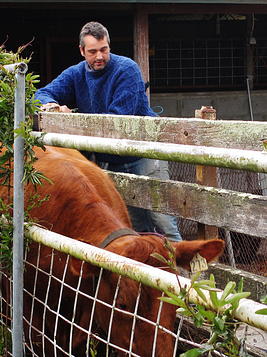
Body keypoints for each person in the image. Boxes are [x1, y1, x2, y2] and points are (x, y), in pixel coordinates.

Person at [34, 21, 183, 242]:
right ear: (82, 51)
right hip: (111, 163)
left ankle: (191, 276)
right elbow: (41, 93)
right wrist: (53, 107)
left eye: (104, 49)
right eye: (92, 51)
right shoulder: (76, 74)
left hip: (143, 156)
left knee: (163, 223)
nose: (99, 56)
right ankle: (147, 276)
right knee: (133, 226)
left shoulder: (127, 70)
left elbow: (115, 122)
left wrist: (73, 121)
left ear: (109, 45)